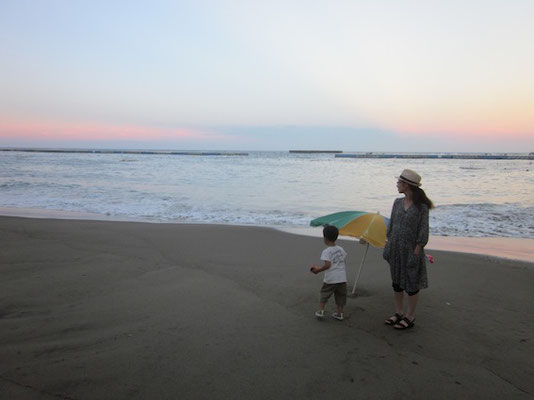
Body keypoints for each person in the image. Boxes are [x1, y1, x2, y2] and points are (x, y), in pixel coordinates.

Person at [383, 169, 434, 330]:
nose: (397, 184)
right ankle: (398, 312)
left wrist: (418, 249)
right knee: (396, 283)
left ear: (407, 185)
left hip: (411, 251)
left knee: (412, 285)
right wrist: (388, 243)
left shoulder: (421, 207)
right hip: (395, 248)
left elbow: (423, 229)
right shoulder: (397, 203)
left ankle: (410, 316)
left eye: (399, 182)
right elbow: (391, 225)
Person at [310, 225, 348, 321]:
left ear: (325, 238)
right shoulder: (341, 249)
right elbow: (342, 259)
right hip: (342, 278)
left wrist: (318, 270)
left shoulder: (326, 251)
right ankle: (340, 313)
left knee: (324, 293)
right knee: (340, 296)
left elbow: (328, 265)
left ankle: (321, 311)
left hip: (331, 278)